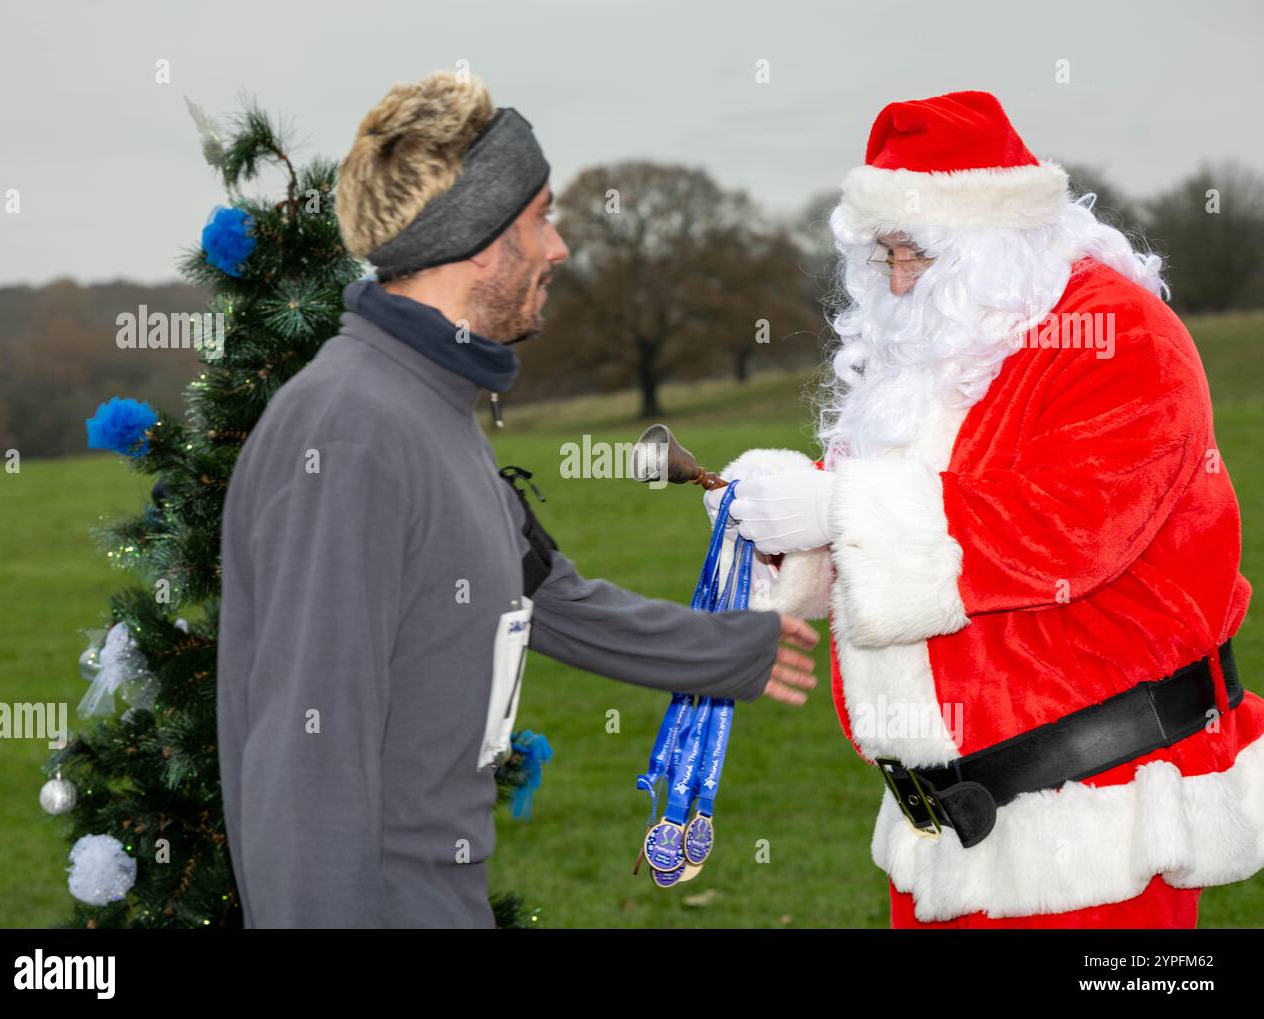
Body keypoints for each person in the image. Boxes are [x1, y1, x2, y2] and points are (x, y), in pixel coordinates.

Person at [215, 70, 819, 929]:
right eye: (540, 216)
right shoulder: (351, 434)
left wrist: (723, 650)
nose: (560, 246)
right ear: (479, 240)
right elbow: (306, 769)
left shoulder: (432, 409)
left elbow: (545, 596)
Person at [707, 90, 1264, 928]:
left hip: (1099, 822)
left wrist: (834, 505)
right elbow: (917, 488)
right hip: (945, 824)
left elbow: (1068, 531)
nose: (898, 282)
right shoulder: (947, 345)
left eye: (918, 255)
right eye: (886, 256)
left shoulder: (1116, 333)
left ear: (994, 238)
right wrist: (778, 531)